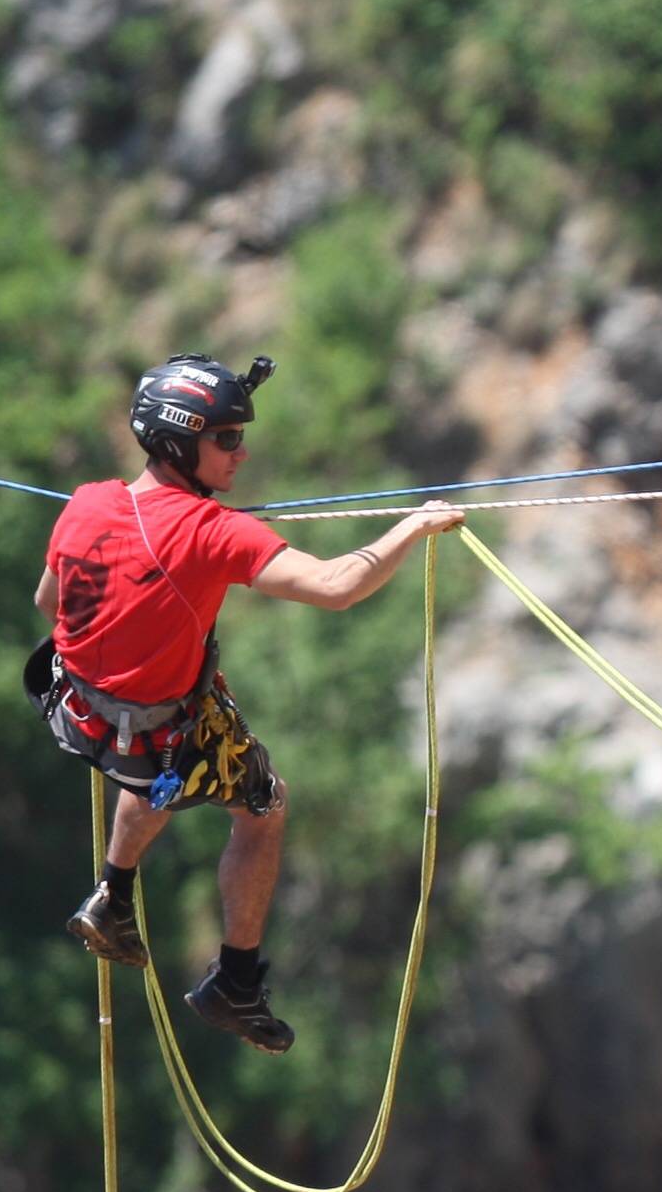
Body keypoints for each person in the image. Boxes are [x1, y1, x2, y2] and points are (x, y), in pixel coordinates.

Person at [27, 353, 463, 1054]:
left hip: (77, 715)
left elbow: (50, 604)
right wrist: (414, 526)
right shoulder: (211, 531)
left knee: (173, 739)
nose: (242, 450)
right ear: (178, 442)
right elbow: (335, 585)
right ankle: (235, 980)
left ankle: (113, 895)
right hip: (153, 734)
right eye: (226, 438)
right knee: (263, 807)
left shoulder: (86, 501)